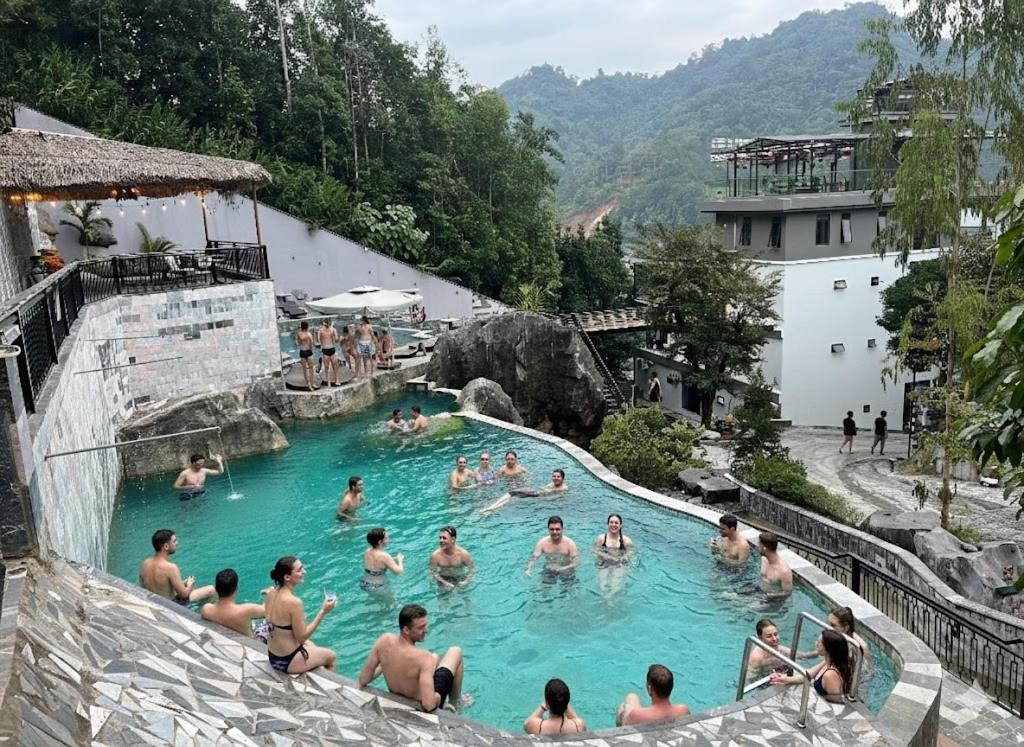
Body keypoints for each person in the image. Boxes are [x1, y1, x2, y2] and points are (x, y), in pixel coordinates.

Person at [358, 603, 467, 712]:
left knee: (435, 657)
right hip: (420, 706)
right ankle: (456, 702)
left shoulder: (384, 640)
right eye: (421, 627)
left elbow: (363, 680)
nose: (426, 630)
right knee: (455, 651)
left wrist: (385, 664)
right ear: (406, 630)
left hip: (398, 697)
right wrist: (438, 696)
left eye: (425, 625)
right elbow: (428, 705)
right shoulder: (424, 657)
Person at [264, 556, 337, 673]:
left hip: (273, 656)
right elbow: (302, 637)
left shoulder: (270, 593)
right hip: (287, 661)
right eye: (299, 570)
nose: (304, 572)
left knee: (313, 646)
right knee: (331, 656)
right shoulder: (294, 602)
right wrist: (323, 611)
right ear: (287, 577)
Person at [771, 629, 852, 703]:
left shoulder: (830, 675)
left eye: (819, 642)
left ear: (828, 649)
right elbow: (809, 674)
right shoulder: (828, 661)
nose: (816, 643)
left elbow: (836, 702)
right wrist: (786, 679)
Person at [139, 529, 215, 604]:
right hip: (171, 605)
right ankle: (206, 612)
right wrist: (190, 585)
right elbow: (184, 595)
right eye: (174, 541)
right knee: (210, 590)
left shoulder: (145, 563)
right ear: (166, 546)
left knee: (190, 588)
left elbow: (151, 587)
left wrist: (183, 583)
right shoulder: (171, 567)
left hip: (154, 602)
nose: (177, 543)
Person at [616, 664, 691, 726]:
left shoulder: (636, 715)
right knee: (632, 697)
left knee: (628, 701)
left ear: (650, 688)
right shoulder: (684, 711)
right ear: (671, 687)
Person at [201, 568, 267, 638]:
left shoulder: (206, 609)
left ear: (216, 588)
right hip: (249, 643)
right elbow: (267, 611)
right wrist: (270, 595)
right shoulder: (246, 610)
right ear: (237, 587)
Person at [746, 618, 817, 673]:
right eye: (769, 636)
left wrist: (820, 650)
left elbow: (803, 656)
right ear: (760, 639)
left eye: (776, 634)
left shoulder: (778, 649)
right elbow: (749, 678)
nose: (774, 638)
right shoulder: (757, 657)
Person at [481, 469, 568, 514]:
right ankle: (493, 508)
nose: (555, 478)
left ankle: (492, 508)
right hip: (535, 492)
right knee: (512, 494)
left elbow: (551, 494)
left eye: (558, 477)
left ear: (562, 478)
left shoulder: (563, 488)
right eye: (554, 476)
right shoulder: (553, 484)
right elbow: (546, 490)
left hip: (536, 494)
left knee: (512, 494)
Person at [829, 606, 873, 678]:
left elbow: (869, 673)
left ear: (846, 628)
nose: (828, 628)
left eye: (833, 625)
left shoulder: (860, 647)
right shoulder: (835, 637)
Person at [362, 527, 404, 591]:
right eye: (386, 538)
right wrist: (400, 560)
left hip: (365, 583)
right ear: (380, 542)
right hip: (378, 586)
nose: (388, 540)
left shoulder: (367, 551)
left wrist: (392, 559)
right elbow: (398, 572)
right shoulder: (385, 556)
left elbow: (377, 562)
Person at [759, 532, 793, 598]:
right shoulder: (764, 559)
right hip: (760, 591)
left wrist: (769, 596)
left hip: (773, 600)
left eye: (760, 545)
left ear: (764, 548)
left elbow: (787, 593)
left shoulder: (784, 571)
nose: (758, 547)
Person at [318, 319, 340, 387]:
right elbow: (319, 342)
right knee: (327, 367)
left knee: (334, 366)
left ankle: (336, 380)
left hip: (330, 349)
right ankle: (329, 382)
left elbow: (336, 340)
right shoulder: (321, 330)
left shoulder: (332, 330)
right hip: (326, 350)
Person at [296, 321, 316, 391]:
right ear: (307, 327)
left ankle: (309, 385)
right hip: (308, 352)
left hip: (302, 352)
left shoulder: (299, 334)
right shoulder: (309, 334)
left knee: (305, 369)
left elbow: (298, 343)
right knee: (311, 368)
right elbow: (311, 345)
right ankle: (312, 383)